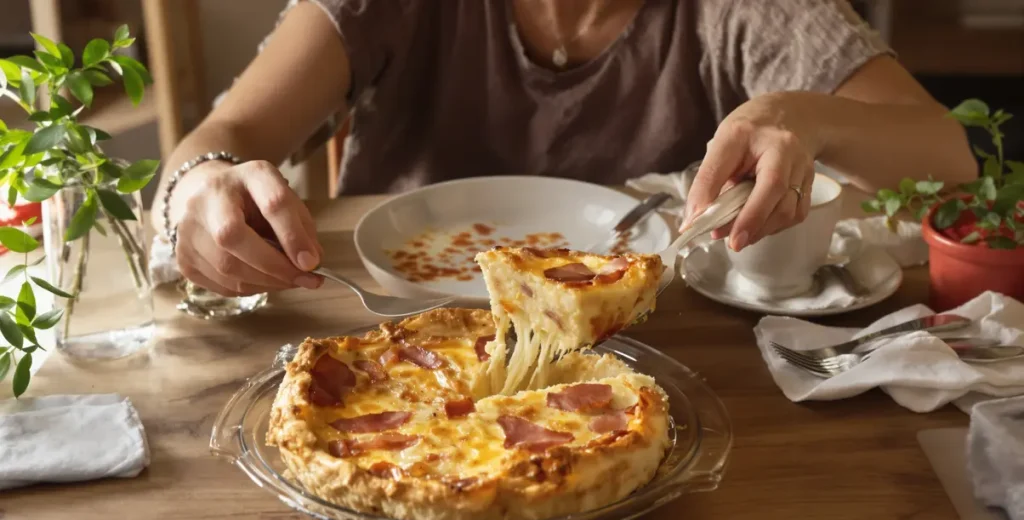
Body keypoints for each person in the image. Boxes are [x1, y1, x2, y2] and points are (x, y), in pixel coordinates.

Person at [156, 0, 976, 297]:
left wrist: (807, 116)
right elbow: (215, 144)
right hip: (385, 340)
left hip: (654, 367)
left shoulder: (750, 8)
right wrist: (196, 189)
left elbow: (951, 159)